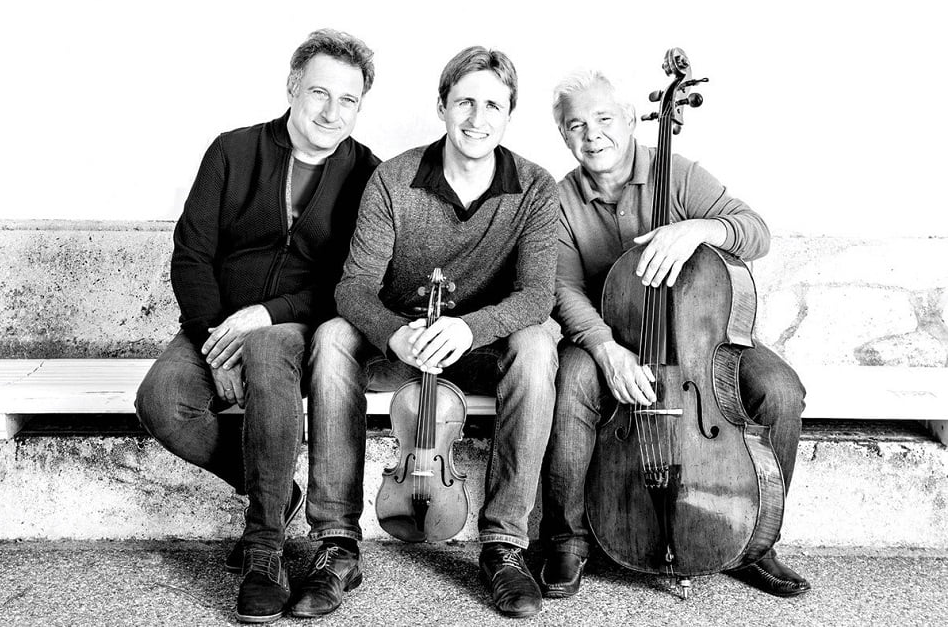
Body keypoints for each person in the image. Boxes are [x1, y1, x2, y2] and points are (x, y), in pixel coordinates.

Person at [293, 46, 558, 619]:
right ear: (442, 106)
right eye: (464, 102)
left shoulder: (536, 188)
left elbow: (537, 296)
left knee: (538, 344)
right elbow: (353, 288)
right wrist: (394, 334)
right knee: (334, 336)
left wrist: (471, 328)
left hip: (479, 351)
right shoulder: (393, 179)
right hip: (402, 347)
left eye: (493, 106)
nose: (477, 118)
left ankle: (504, 546)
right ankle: (336, 544)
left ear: (510, 114)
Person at [135, 29, 380, 624]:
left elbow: (350, 281)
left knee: (269, 348)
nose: (331, 111)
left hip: (300, 327)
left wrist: (269, 314)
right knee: (162, 401)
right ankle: (274, 489)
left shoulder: (367, 174)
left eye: (348, 99)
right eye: (319, 92)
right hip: (215, 324)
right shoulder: (233, 150)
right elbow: (191, 253)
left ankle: (263, 547)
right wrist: (212, 339)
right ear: (292, 87)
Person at [539, 70, 810, 599]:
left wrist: (701, 228)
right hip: (610, 335)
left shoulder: (679, 174)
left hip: (703, 336)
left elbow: (755, 232)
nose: (592, 134)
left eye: (604, 118)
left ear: (630, 119)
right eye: (576, 125)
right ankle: (566, 540)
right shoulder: (559, 200)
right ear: (563, 135)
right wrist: (606, 349)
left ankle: (756, 540)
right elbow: (564, 288)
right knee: (571, 383)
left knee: (780, 390)